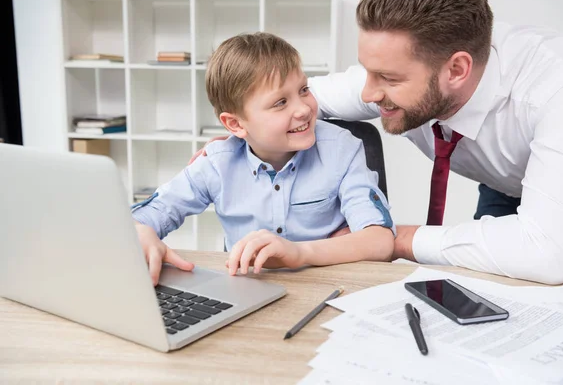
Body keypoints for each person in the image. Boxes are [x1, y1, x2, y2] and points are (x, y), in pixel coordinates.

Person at [305, 0, 563, 284]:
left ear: (457, 70)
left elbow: (548, 254)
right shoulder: (400, 61)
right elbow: (287, 102)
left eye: (389, 79)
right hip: (502, 183)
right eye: (367, 71)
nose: (367, 93)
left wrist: (391, 238)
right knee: (488, 291)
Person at [132, 32, 395, 285]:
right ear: (235, 125)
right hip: (248, 290)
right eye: (280, 102)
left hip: (329, 287)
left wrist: (299, 253)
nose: (303, 109)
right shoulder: (217, 164)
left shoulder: (341, 149)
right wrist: (140, 232)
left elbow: (380, 241)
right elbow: (143, 218)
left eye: (304, 89)